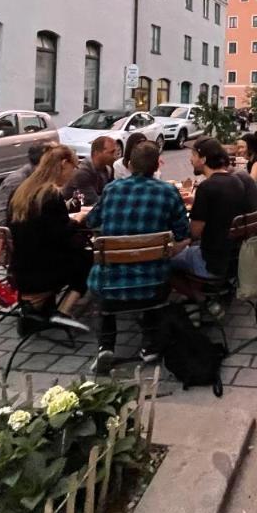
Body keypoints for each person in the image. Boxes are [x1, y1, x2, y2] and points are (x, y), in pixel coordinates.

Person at [87, 141, 190, 372]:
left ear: (130, 165)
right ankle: (150, 346)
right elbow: (184, 232)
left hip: (109, 283)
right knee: (164, 263)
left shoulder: (113, 188)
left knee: (103, 283)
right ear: (156, 167)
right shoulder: (168, 191)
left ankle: (106, 345)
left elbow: (92, 221)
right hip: (153, 283)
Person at [7, 146, 92, 317]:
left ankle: (45, 310)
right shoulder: (51, 194)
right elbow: (62, 236)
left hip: (19, 266)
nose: (72, 174)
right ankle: (62, 312)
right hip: (43, 270)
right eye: (73, 168)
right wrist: (78, 220)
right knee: (88, 259)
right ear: (63, 164)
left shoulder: (21, 190)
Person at [173, 138, 248, 279]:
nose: (191, 160)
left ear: (203, 159)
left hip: (210, 262)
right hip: (234, 259)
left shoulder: (206, 187)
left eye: (193, 155)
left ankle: (199, 296)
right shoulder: (236, 181)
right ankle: (207, 294)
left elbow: (194, 232)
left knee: (165, 261)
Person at [0, 140, 55, 226]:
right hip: (13, 233)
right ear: (45, 161)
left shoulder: (44, 177)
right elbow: (0, 220)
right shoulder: (16, 181)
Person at [63, 136, 119, 206]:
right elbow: (93, 202)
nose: (115, 156)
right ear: (97, 153)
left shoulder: (108, 168)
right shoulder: (82, 173)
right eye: (111, 152)